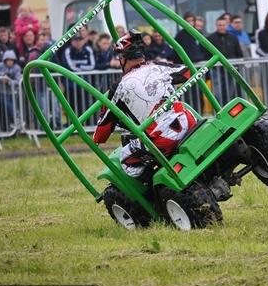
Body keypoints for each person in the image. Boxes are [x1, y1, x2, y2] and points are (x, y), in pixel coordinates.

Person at [91, 32, 217, 193]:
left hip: (162, 140)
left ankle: (157, 193)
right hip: (189, 122)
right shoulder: (159, 67)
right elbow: (188, 73)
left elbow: (101, 135)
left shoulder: (119, 87)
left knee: (126, 160)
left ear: (123, 59)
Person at [206, 17, 244, 105]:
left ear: (227, 25)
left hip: (231, 68)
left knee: (230, 92)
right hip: (216, 69)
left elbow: (239, 53)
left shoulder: (233, 38)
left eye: (223, 25)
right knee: (217, 93)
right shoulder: (210, 38)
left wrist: (238, 66)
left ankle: (229, 110)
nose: (222, 27)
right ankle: (219, 110)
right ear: (216, 26)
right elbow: (207, 54)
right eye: (220, 25)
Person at [0, 50, 21, 132]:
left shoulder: (16, 68)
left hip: (12, 93)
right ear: (5, 60)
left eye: (11, 60)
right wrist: (1, 77)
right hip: (1, 92)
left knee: (12, 108)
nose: (10, 62)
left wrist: (9, 81)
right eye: (8, 60)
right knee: (5, 109)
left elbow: (18, 80)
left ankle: (16, 123)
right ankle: (10, 125)